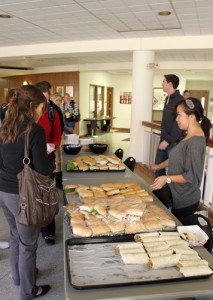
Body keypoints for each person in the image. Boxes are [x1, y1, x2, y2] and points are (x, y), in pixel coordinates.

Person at [0, 85, 54, 299]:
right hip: (23, 196)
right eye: (42, 107)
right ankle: (28, 291)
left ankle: (18, 277)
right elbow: (42, 169)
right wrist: (50, 163)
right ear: (32, 106)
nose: (42, 111)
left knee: (15, 236)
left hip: (3, 191)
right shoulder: (35, 130)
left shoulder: (6, 126)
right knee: (29, 245)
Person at [150, 98, 211, 225]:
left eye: (179, 115)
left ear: (191, 117)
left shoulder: (195, 142)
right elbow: (175, 158)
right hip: (176, 194)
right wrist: (157, 167)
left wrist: (166, 178)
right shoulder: (187, 135)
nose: (176, 119)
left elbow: (192, 176)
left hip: (185, 200)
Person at [153, 74, 185, 208]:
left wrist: (168, 140)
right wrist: (163, 138)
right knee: (158, 169)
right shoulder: (168, 98)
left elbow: (179, 124)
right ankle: (162, 197)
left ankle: (171, 201)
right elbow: (166, 122)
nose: (162, 84)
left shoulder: (180, 100)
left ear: (170, 84)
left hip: (173, 143)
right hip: (164, 140)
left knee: (173, 174)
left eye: (163, 82)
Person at [35, 82, 62, 245]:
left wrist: (53, 146)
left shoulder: (52, 112)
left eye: (47, 99)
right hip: (28, 161)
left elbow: (57, 136)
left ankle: (48, 231)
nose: (45, 104)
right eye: (41, 100)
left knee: (46, 195)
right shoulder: (25, 115)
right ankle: (33, 225)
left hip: (47, 159)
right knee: (31, 195)